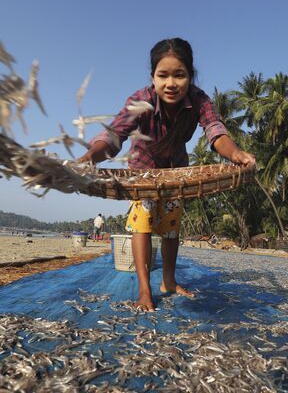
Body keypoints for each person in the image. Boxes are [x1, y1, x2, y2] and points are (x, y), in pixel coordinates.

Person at [79, 38, 256, 311]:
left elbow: (215, 131)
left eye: (179, 75)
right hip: (143, 168)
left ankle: (169, 281)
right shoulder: (140, 100)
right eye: (163, 75)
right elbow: (114, 136)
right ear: (153, 77)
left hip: (175, 167)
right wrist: (91, 156)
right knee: (143, 222)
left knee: (171, 227)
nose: (171, 83)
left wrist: (236, 154)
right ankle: (144, 289)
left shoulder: (199, 99)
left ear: (190, 76)